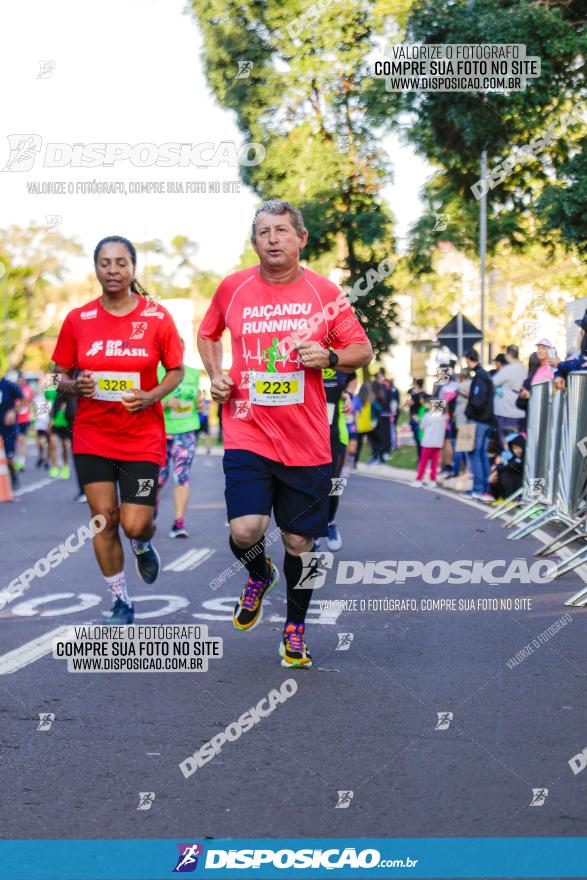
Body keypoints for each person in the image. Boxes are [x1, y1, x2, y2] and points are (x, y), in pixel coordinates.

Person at [197, 198, 372, 668]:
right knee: (245, 529)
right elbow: (208, 334)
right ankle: (259, 572)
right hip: (247, 428)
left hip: (306, 439)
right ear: (253, 242)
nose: (272, 239)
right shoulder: (233, 288)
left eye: (281, 230)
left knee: (301, 543)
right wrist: (215, 373)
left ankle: (295, 628)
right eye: (263, 232)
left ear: (301, 238)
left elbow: (362, 348)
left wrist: (331, 357)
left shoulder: (324, 292)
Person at [51, 235, 184, 625]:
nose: (113, 270)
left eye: (121, 262)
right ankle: (120, 600)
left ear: (133, 268)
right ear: (96, 268)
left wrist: (151, 396)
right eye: (105, 263)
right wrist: (74, 386)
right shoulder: (78, 319)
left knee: (134, 523)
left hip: (141, 437)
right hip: (93, 434)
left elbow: (176, 370)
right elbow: (56, 375)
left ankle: (142, 544)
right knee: (103, 520)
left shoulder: (157, 318)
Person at [157, 346, 200, 537]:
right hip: (161, 432)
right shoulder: (156, 371)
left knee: (182, 477)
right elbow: (145, 400)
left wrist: (199, 402)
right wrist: (165, 403)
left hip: (186, 431)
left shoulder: (192, 373)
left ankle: (178, 522)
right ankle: (152, 509)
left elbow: (197, 396)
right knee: (158, 478)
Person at [316, 368, 356, 551]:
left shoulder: (342, 356)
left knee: (335, 485)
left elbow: (353, 378)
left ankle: (330, 522)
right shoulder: (304, 355)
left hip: (336, 434)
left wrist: (347, 393)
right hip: (307, 434)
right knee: (312, 485)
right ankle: (314, 532)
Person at [463, 349, 494, 502]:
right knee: (482, 455)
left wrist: (469, 411)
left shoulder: (480, 376)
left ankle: (478, 489)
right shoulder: (485, 375)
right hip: (487, 420)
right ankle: (484, 489)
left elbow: (478, 400)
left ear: (468, 359)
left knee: (475, 454)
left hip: (479, 420)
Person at [491, 344, 527, 447]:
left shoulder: (508, 369)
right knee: (517, 443)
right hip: (519, 411)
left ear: (507, 355)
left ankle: (508, 461)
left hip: (506, 412)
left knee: (506, 443)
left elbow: (492, 382)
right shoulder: (523, 368)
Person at [411, 398, 448, 487]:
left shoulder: (427, 415)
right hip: (438, 443)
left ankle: (419, 480)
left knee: (423, 462)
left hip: (428, 442)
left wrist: (418, 421)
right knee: (434, 463)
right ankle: (433, 481)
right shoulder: (444, 418)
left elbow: (422, 427)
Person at [0, 373, 23, 488]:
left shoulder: (9, 385)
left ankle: (13, 476)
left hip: (8, 427)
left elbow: (24, 399)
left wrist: (13, 411)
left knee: (9, 457)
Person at [554, 310, 587, 390]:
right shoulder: (579, 353)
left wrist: (559, 364)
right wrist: (559, 375)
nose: (581, 334)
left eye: (583, 331)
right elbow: (571, 364)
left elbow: (577, 365)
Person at [488, 433, 525, 500]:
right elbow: (506, 464)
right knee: (495, 476)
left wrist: (497, 468)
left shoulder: (523, 458)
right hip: (517, 484)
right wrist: (496, 469)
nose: (516, 450)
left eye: (518, 448)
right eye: (514, 448)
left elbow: (510, 466)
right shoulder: (514, 457)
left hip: (521, 484)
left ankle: (510, 499)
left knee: (505, 474)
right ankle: (500, 498)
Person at [451, 369, 471, 477]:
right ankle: (465, 470)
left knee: (460, 447)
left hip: (461, 420)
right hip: (467, 419)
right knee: (465, 447)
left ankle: (457, 470)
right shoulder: (471, 384)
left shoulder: (460, 386)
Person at [14, 373, 34, 472]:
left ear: (24, 381)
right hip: (15, 418)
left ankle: (21, 462)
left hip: (25, 419)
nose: (20, 382)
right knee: (18, 440)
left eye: (22, 380)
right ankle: (18, 460)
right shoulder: (14, 389)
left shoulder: (27, 390)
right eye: (19, 380)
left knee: (21, 439)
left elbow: (27, 402)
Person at [408, 379, 425, 456]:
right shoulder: (425, 394)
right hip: (423, 418)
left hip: (415, 418)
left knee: (418, 440)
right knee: (422, 438)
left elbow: (410, 403)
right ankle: (423, 456)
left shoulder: (414, 395)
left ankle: (421, 457)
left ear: (417, 385)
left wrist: (407, 402)